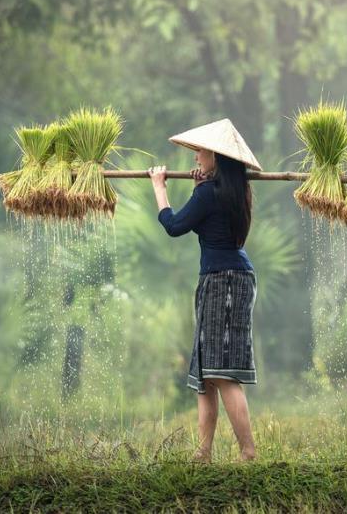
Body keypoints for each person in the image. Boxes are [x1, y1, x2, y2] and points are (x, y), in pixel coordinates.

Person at [147, 118, 262, 464]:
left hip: (224, 281)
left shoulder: (210, 194)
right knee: (206, 373)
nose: (195, 157)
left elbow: (174, 225)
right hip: (225, 277)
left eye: (200, 151)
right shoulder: (231, 191)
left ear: (216, 156)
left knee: (221, 372)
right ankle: (203, 453)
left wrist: (159, 186)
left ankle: (248, 452)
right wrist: (201, 187)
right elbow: (206, 212)